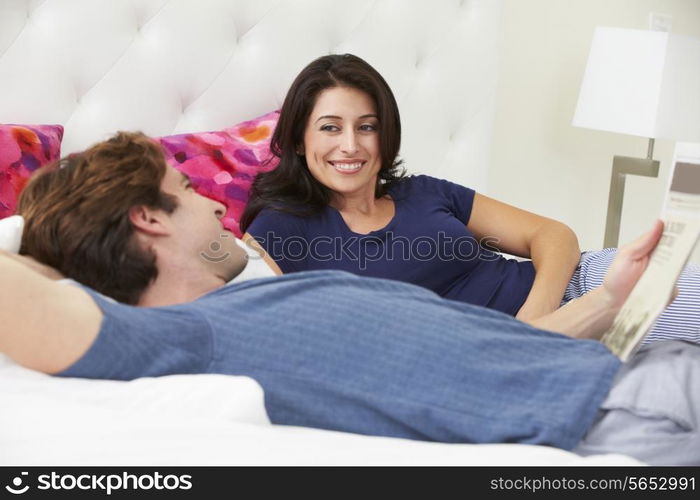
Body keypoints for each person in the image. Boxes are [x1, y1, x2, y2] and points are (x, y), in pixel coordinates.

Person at [2, 131, 698, 465]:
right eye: (188, 192)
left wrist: (613, 296)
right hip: (622, 414)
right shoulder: (184, 337)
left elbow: (499, 357)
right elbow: (37, 307)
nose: (217, 205)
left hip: (633, 368)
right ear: (147, 218)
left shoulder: (269, 301)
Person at [240, 54, 700, 346]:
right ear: (299, 140)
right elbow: (253, 320)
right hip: (521, 352)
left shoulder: (423, 191)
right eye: (330, 127)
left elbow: (552, 236)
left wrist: (534, 320)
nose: (350, 146)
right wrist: (525, 340)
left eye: (367, 126)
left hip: (585, 285)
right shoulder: (282, 230)